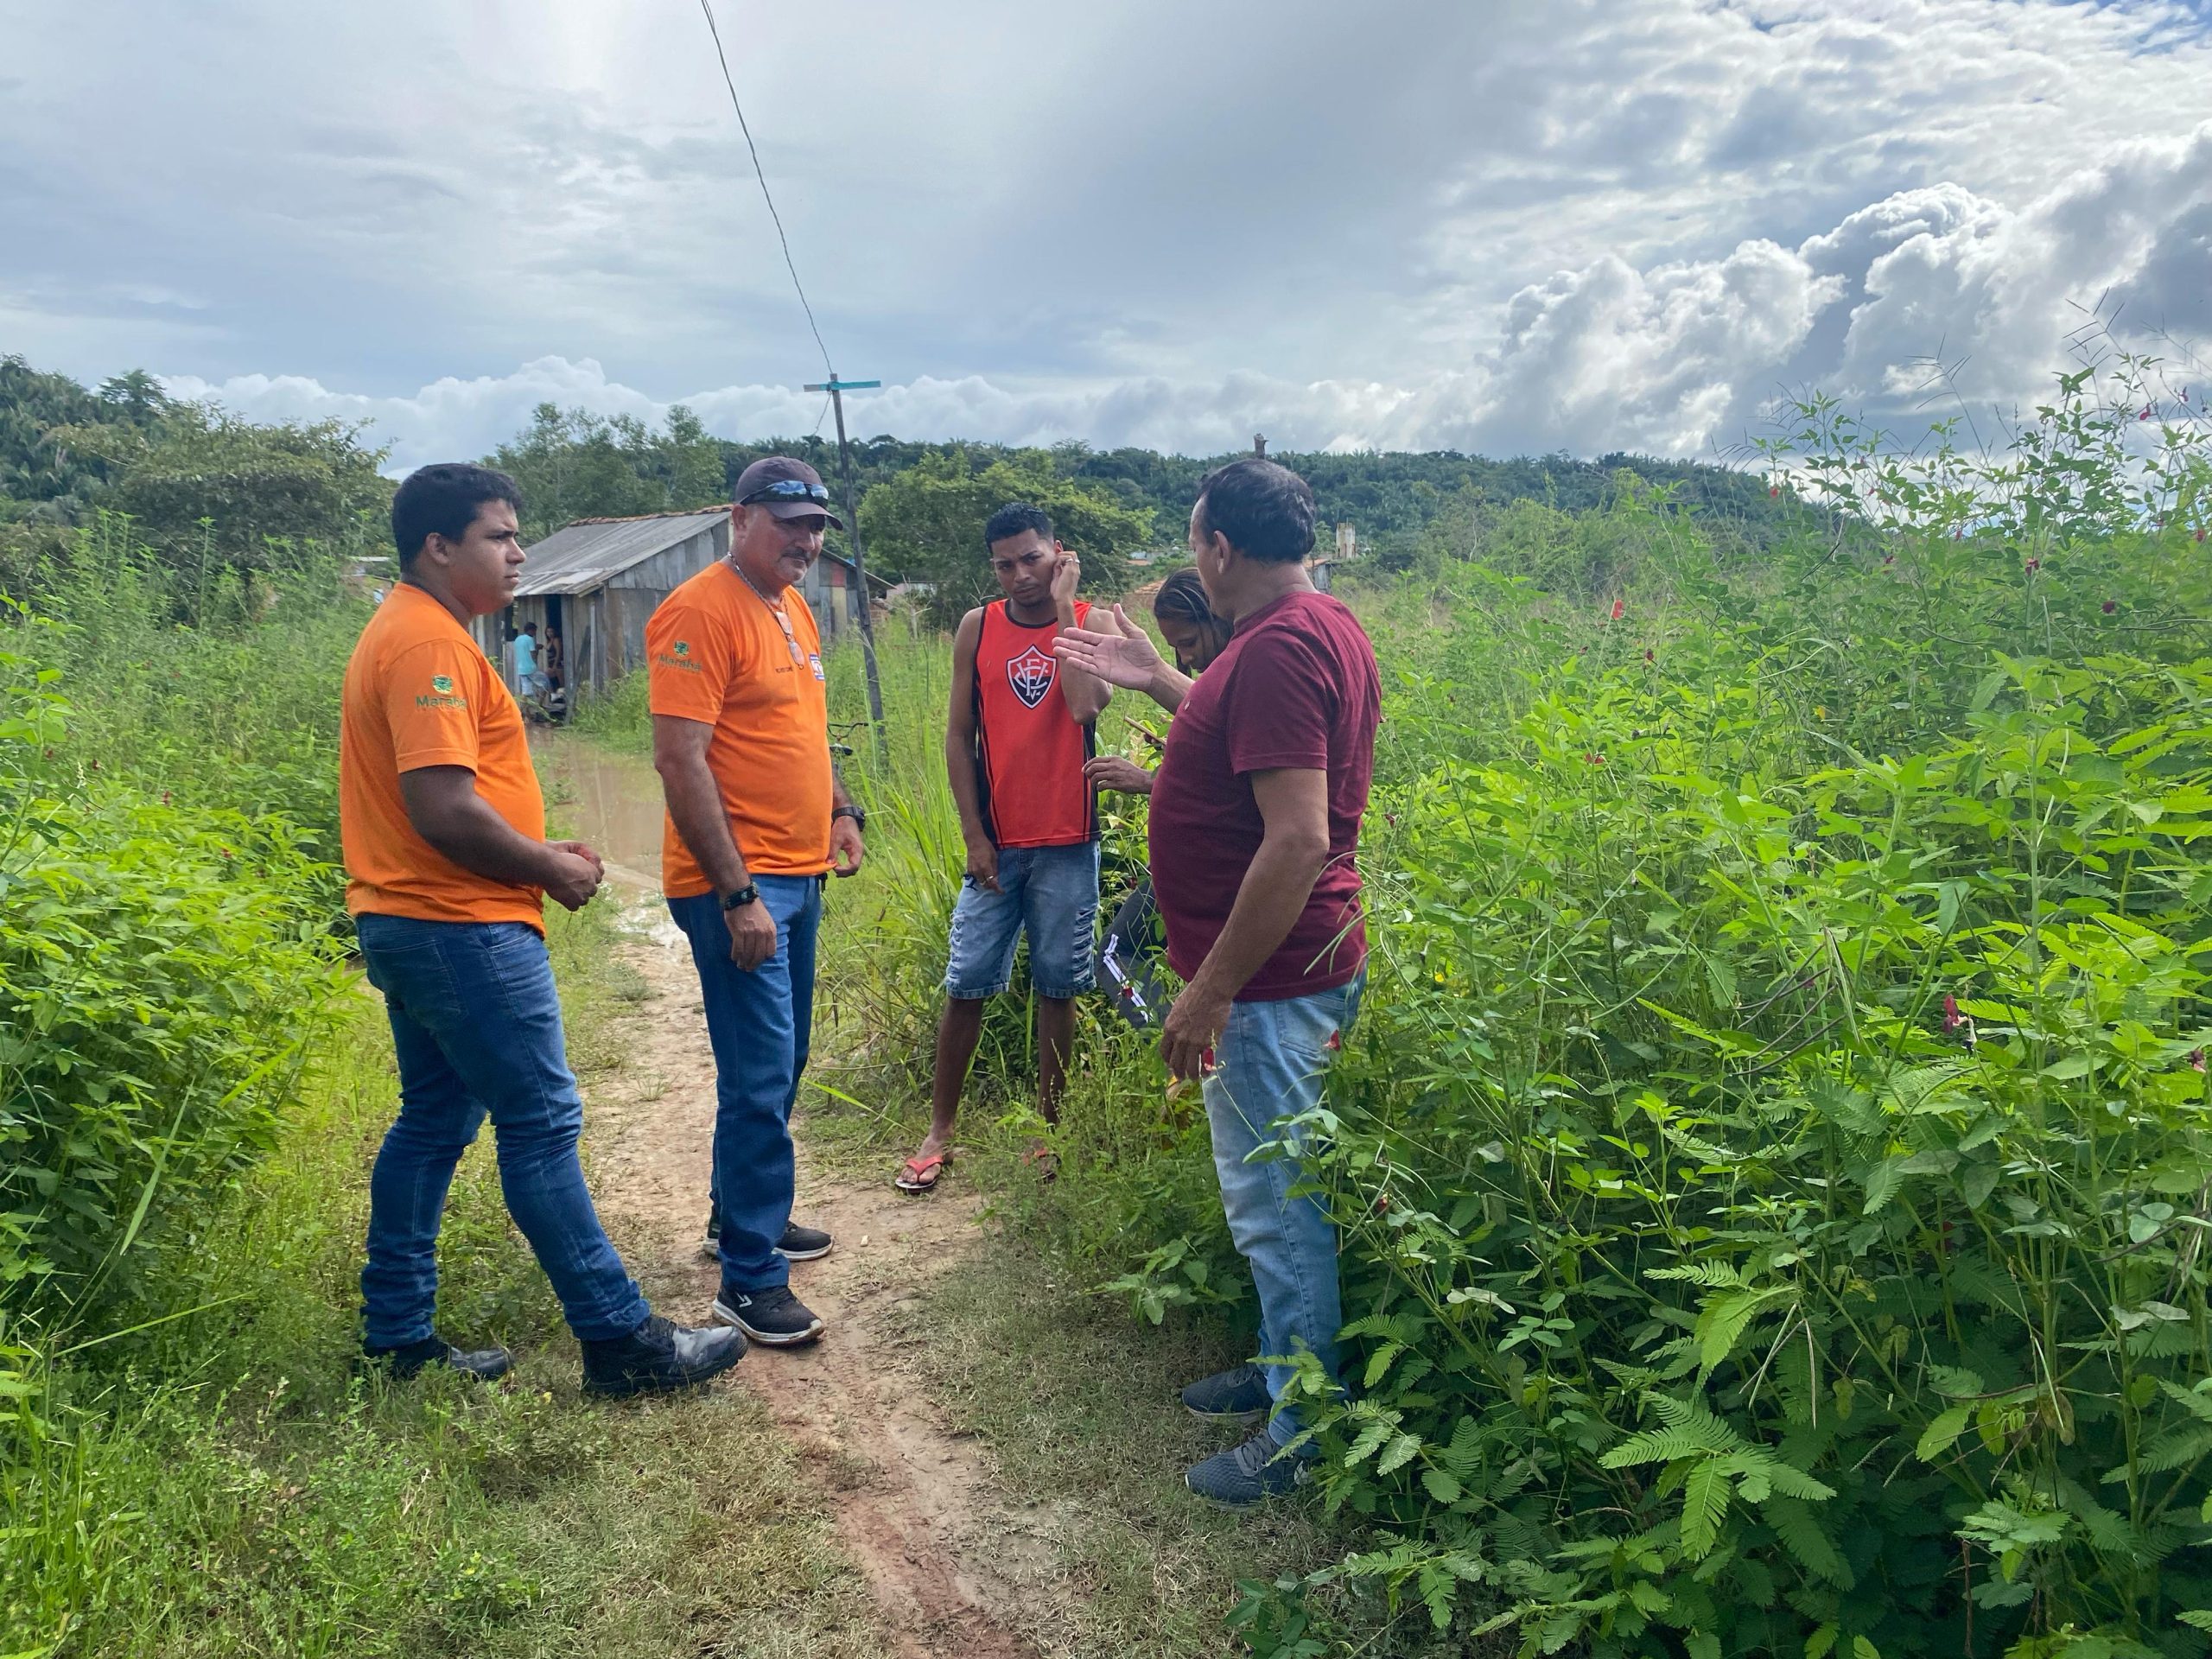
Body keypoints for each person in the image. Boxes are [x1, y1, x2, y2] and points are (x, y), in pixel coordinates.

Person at [341, 462, 743, 1397]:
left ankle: (397, 1337)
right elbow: (440, 807)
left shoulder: (417, 632)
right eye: (499, 535)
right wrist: (545, 866)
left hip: (415, 917)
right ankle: (621, 1341)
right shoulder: (426, 646)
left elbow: (447, 799)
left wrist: (526, 841)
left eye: (519, 535)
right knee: (540, 1124)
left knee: (434, 1120)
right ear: (438, 546)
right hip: (458, 924)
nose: (519, 552)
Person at [1056, 458, 1380, 1507]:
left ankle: (1304, 1428)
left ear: (1219, 548)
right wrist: (1157, 679)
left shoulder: (1281, 648)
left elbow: (1296, 838)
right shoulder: (1305, 629)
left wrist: (1209, 991)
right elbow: (1249, 747)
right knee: (1270, 1200)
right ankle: (1284, 1359)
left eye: (1191, 539)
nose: (1191, 555)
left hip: (1272, 984)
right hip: (1284, 975)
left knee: (1279, 1205)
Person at [648, 456, 867, 1349]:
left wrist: (841, 808)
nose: (807, 543)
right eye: (790, 526)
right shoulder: (699, 610)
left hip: (798, 869)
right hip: (738, 881)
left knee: (784, 1059)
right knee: (758, 1075)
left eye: (816, 528)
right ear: (740, 518)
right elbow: (679, 759)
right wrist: (737, 893)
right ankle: (747, 1277)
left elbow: (803, 729)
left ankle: (739, 1215)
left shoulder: (790, 602)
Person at [895, 503, 1110, 1194]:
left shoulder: (1092, 620)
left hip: (1070, 840)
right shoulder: (976, 628)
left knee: (1059, 988)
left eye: (1032, 559)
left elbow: (1085, 706)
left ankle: (1049, 1132)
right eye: (1005, 563)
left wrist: (1067, 609)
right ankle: (940, 1131)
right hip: (998, 843)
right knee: (966, 983)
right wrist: (973, 834)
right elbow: (959, 736)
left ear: (1059, 554)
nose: (1021, 575)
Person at [1084, 569, 1233, 1030]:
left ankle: (1174, 1049)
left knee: (1116, 951)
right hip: (1198, 863)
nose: (1185, 656)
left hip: (1215, 865)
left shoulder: (1248, 667)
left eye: (1188, 641)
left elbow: (1231, 772)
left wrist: (1151, 781)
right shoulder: (1225, 678)